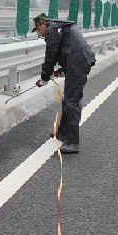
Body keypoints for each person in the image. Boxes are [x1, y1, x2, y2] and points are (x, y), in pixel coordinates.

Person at [32, 13, 96, 153]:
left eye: (38, 29)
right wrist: (61, 70)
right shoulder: (61, 28)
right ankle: (62, 132)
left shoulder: (53, 31)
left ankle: (73, 142)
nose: (39, 33)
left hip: (77, 63)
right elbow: (68, 49)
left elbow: (51, 56)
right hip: (78, 61)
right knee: (68, 100)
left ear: (43, 24)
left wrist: (44, 78)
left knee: (71, 101)